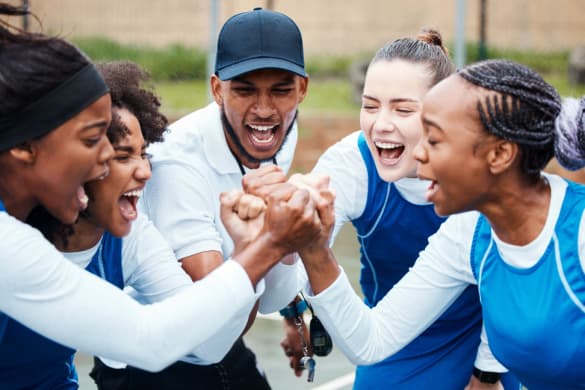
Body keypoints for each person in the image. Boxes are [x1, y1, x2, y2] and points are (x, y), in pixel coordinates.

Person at [0, 2, 322, 380]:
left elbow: (202, 345)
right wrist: (265, 248)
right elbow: (150, 341)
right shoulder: (11, 244)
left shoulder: (130, 234)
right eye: (93, 141)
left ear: (301, 90)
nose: (142, 167)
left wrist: (256, 253)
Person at [289, 59, 585, 389]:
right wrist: (314, 249)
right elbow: (371, 340)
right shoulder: (468, 232)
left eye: (435, 140)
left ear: (500, 154)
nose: (418, 155)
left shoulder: (578, 231)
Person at [277, 30, 520, 389]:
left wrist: (486, 375)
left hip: (487, 338)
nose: (381, 123)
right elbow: (296, 253)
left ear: (441, 114)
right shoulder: (350, 164)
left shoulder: (481, 170)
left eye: (403, 109)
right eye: (370, 105)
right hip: (391, 339)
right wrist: (295, 309)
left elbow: (510, 285)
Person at [104, 7, 309, 390]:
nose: (264, 109)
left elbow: (263, 294)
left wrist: (296, 307)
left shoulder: (276, 134)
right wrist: (268, 243)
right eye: (245, 89)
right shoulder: (175, 164)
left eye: (281, 89)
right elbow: (211, 318)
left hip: (220, 337)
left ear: (302, 89)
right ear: (217, 89)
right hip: (147, 359)